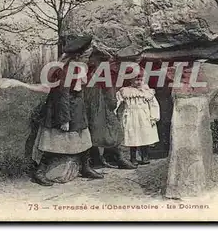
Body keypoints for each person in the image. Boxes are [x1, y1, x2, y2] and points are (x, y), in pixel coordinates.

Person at [30, 55, 103, 186]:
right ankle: (39, 172)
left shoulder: (80, 69)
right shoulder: (67, 70)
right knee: (56, 142)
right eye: (85, 56)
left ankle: (85, 167)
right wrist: (64, 119)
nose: (88, 59)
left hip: (76, 109)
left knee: (84, 140)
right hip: (63, 110)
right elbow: (62, 95)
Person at [114, 73, 161, 166]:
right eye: (136, 80)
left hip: (144, 116)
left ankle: (145, 156)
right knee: (133, 136)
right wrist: (114, 110)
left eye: (141, 80)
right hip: (131, 115)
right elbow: (117, 102)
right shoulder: (125, 91)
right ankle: (133, 158)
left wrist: (154, 117)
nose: (139, 82)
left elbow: (154, 104)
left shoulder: (147, 91)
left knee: (145, 136)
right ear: (131, 80)